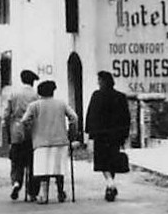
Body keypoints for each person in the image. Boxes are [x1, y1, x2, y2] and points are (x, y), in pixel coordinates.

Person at [21, 80, 78, 204]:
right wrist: (72, 133)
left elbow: (24, 120)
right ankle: (60, 192)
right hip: (60, 140)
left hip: (40, 142)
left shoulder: (34, 105)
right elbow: (74, 117)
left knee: (43, 170)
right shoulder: (61, 104)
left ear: (40, 92)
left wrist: (30, 129)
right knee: (58, 168)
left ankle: (44, 195)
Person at [84, 71, 131, 202]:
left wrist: (90, 135)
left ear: (102, 81)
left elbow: (91, 116)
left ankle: (110, 183)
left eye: (99, 80)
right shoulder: (120, 96)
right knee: (112, 160)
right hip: (115, 135)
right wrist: (124, 135)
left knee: (102, 161)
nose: (98, 82)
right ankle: (110, 186)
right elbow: (126, 117)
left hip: (101, 135)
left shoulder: (97, 96)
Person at [3, 70, 39, 200]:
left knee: (16, 160)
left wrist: (8, 130)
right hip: (32, 131)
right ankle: (32, 191)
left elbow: (6, 114)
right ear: (32, 81)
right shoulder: (36, 95)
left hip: (16, 130)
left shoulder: (14, 93)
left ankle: (16, 182)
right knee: (32, 162)